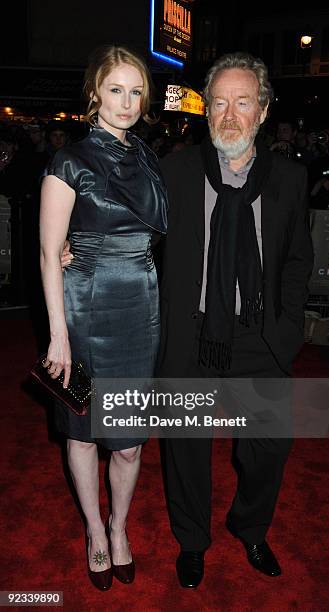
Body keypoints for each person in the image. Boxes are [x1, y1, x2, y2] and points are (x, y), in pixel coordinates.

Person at [157, 52, 313, 587]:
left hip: (260, 336)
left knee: (269, 447)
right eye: (219, 103)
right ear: (207, 112)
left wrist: (287, 331)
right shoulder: (174, 172)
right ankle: (193, 541)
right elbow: (134, 238)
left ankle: (250, 527)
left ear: (263, 111)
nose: (228, 115)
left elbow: (297, 261)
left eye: (242, 103)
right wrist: (75, 248)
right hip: (191, 334)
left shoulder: (291, 180)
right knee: (186, 451)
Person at [40, 44, 167, 591]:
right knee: (85, 432)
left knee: (131, 439)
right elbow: (50, 253)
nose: (127, 101)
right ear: (95, 94)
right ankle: (94, 530)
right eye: (116, 89)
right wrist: (58, 338)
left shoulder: (148, 158)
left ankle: (121, 526)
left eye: (136, 91)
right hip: (83, 310)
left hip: (141, 307)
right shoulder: (69, 160)